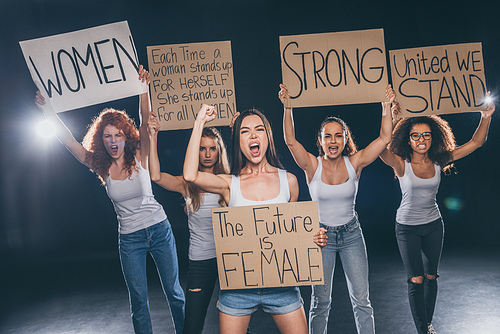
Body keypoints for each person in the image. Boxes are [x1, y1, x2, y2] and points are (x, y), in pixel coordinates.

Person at [34, 66, 185, 334]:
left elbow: (144, 118)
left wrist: (143, 88)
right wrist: (48, 110)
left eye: (118, 135)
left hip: (160, 231)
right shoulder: (100, 165)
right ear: (101, 139)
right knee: (139, 302)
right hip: (130, 240)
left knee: (174, 292)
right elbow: (69, 141)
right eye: (107, 136)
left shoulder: (140, 153)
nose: (113, 140)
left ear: (126, 136)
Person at [182, 104, 327, 334]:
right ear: (239, 141)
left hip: (282, 285)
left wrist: (313, 237)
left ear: (267, 137)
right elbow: (190, 175)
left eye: (258, 129)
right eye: (244, 131)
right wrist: (199, 121)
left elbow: (294, 234)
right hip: (238, 289)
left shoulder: (289, 182)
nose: (252, 135)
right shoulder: (230, 184)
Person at [280, 83, 396, 334]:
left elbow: (385, 138)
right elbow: (290, 140)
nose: (333, 141)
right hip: (321, 237)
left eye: (338, 135)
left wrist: (385, 105)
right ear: (320, 141)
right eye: (327, 136)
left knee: (362, 301)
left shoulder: (355, 162)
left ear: (345, 138)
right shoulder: (312, 165)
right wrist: (288, 106)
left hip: (352, 234)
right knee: (320, 302)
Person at [379, 95, 495, 334]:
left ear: (433, 137)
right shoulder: (402, 164)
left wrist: (486, 116)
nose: (421, 140)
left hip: (433, 225)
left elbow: (476, 143)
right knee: (416, 279)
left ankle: (428, 324)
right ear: (408, 139)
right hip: (407, 227)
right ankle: (423, 330)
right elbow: (382, 149)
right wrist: (389, 115)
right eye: (415, 135)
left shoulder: (439, 160)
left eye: (426, 135)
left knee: (431, 277)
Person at [148, 112, 230, 334]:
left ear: (219, 152)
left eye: (212, 148)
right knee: (192, 327)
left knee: (238, 326)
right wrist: (153, 137)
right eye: (202, 148)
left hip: (230, 260)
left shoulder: (229, 182)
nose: (207, 154)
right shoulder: (187, 184)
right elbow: (155, 176)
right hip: (200, 261)